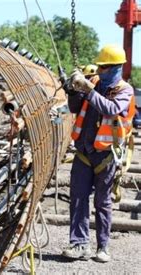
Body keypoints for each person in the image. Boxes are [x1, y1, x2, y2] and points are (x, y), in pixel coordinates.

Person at [62, 44, 136, 262]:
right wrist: (73, 89)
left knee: (102, 203)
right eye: (100, 67)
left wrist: (88, 89)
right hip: (84, 152)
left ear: (116, 68)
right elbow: (75, 108)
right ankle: (79, 245)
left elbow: (111, 109)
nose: (100, 70)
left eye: (104, 67)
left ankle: (102, 247)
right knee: (78, 199)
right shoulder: (93, 83)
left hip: (106, 156)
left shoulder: (125, 90)